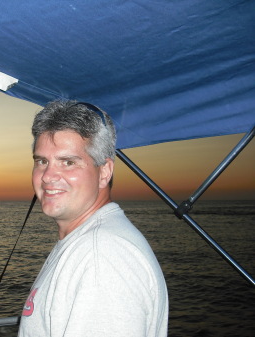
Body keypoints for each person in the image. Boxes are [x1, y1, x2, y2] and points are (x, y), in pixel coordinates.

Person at [18, 100, 168, 337]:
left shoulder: (102, 257)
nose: (47, 176)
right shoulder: (87, 242)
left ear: (104, 173)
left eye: (68, 162)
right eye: (42, 161)